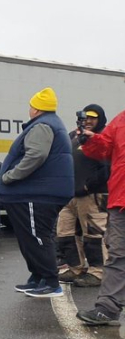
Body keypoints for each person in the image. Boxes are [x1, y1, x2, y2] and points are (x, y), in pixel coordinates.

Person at [0, 87, 73, 298]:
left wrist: (10, 176)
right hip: (37, 192)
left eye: (31, 105)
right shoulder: (49, 124)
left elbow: (35, 156)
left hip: (37, 193)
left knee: (37, 237)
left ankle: (50, 282)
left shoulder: (43, 125)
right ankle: (38, 277)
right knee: (31, 237)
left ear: (36, 109)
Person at [76, 108, 125, 325]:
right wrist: (90, 140)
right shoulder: (121, 119)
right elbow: (104, 149)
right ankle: (107, 308)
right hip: (120, 200)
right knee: (117, 254)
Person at [56, 104, 109, 287]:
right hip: (69, 195)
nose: (88, 121)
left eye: (93, 118)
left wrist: (87, 186)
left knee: (93, 235)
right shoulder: (75, 136)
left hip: (92, 195)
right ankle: (75, 267)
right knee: (65, 233)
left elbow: (107, 168)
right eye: (86, 117)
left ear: (100, 119)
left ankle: (97, 272)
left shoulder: (103, 138)